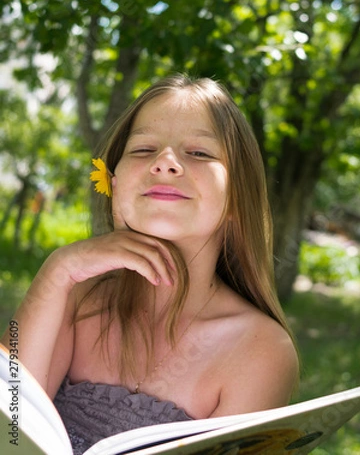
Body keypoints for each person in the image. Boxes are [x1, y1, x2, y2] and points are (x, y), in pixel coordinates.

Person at [1, 74, 299, 454]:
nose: (166, 163)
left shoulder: (261, 349)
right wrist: (56, 271)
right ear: (113, 182)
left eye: (200, 153)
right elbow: (8, 428)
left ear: (238, 200)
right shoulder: (75, 294)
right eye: (143, 149)